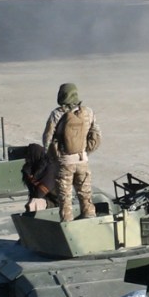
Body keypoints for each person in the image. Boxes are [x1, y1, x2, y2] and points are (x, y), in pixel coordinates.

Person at [40, 82, 102, 221]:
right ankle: (90, 219)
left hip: (64, 162)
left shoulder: (57, 114)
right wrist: (86, 151)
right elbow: (96, 135)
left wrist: (51, 157)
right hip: (83, 160)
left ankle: (67, 225)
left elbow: (47, 138)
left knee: (65, 198)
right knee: (85, 195)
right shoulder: (88, 112)